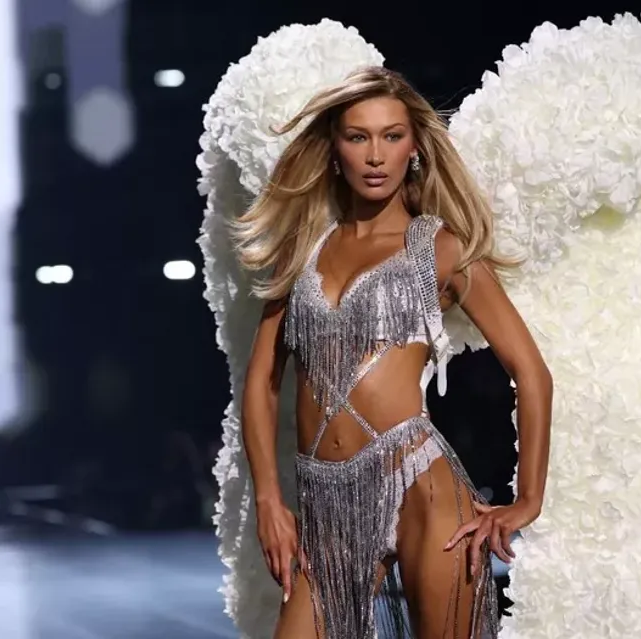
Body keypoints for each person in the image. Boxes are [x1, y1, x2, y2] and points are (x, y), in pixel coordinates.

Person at [234, 66, 553, 639]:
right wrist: (269, 501)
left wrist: (527, 499)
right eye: (358, 137)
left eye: (392, 136)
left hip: (420, 488)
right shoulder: (302, 249)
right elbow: (261, 382)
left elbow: (530, 372)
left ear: (415, 147)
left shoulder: (441, 250)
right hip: (325, 503)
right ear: (335, 149)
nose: (376, 155)